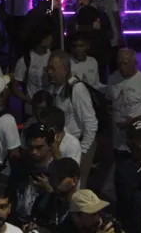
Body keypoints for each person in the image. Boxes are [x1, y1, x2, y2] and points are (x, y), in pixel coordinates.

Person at [47, 50, 98, 186]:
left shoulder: (77, 89)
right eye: (48, 68)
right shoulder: (55, 88)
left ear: (65, 69)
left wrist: (83, 151)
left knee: (75, 190)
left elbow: (91, 123)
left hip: (79, 146)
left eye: (53, 69)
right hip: (63, 147)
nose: (49, 72)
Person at [108, 49, 141, 153]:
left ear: (134, 63)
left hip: (136, 142)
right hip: (117, 141)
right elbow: (110, 100)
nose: (122, 67)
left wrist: (133, 122)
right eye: (119, 63)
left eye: (125, 63)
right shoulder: (112, 78)